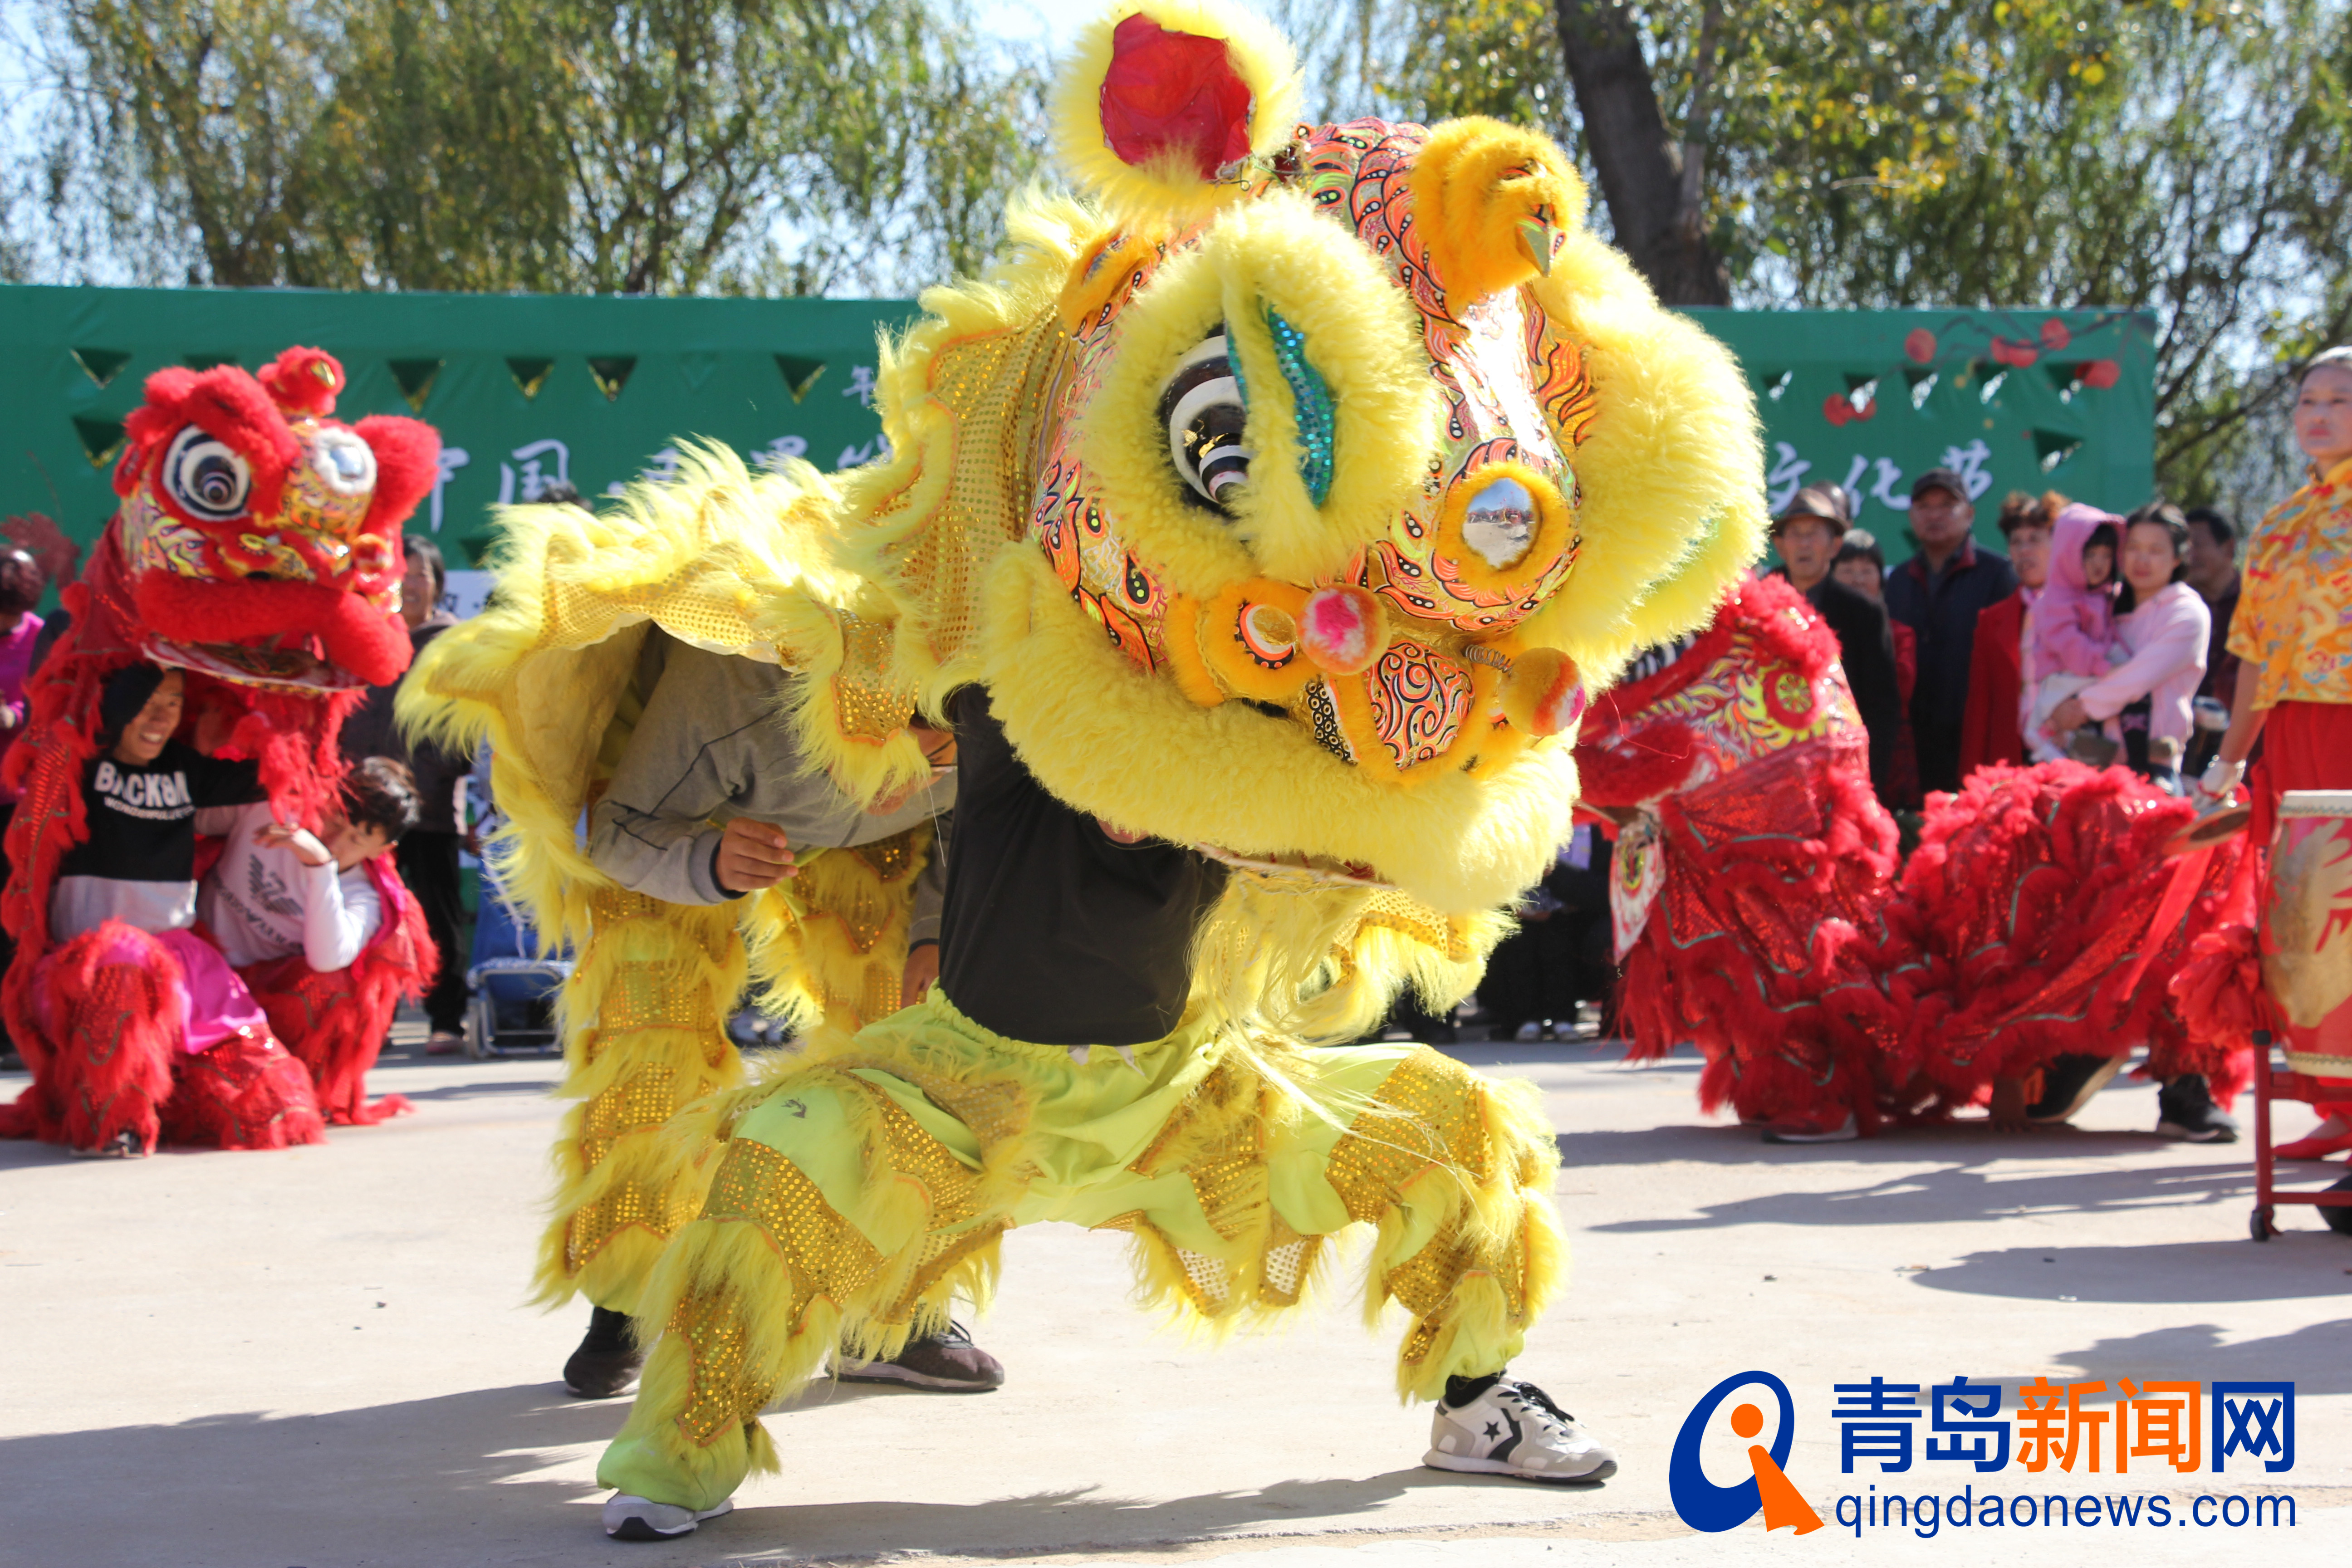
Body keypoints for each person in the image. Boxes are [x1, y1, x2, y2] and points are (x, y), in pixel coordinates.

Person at [561, 630, 992, 1401]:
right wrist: (706, 863)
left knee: (908, 1040)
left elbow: (983, 826)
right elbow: (621, 830)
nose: (905, 788)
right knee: (649, 1038)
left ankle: (888, 1311)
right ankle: (628, 1290)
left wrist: (937, 930)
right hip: (682, 813)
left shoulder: (1007, 700)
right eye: (888, 760)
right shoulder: (734, 687)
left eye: (938, 761)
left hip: (872, 846)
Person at [0, 665, 324, 1156]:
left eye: (172, 702)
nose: (159, 716)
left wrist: (293, 697)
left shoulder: (188, 766)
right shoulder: (76, 763)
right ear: (118, 706)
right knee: (123, 963)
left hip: (181, 968)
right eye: (147, 702)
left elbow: (283, 775)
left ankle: (170, 1101)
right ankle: (118, 1118)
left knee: (274, 1104)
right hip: (89, 969)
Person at [2199, 347, 2352, 1159]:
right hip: (2292, 738)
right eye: (2306, 400)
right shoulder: (2283, 523)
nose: (2318, 413)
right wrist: (2227, 762)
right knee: (2303, 923)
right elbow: (2253, 655)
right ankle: (2336, 1101)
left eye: (2337, 399)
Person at [344, 535, 472, 1054]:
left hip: (429, 810)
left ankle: (447, 1020)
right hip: (365, 813)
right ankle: (375, 1020)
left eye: (422, 574)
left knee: (436, 918)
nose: (411, 583)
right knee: (369, 918)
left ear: (439, 584)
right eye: (404, 572)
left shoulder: (452, 644)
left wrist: (430, 780)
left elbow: (463, 729)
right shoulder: (367, 637)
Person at [202, 756, 418, 975]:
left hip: (245, 986)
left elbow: (328, 960)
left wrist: (320, 867)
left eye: (356, 840)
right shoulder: (273, 811)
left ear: (380, 850)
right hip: (189, 942)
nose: (333, 842)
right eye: (334, 820)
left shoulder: (361, 896)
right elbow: (192, 821)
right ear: (327, 799)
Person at [1765, 484, 1905, 807]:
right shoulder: (1756, 605)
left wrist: (1868, 785)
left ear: (1835, 545)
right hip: (1769, 765)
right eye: (1795, 534)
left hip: (1837, 771)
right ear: (1780, 545)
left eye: (1814, 533)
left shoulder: (1864, 613)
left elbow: (1881, 708)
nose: (1803, 543)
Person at [1883, 468, 2019, 795]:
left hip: (1975, 735)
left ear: (1970, 514)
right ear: (1912, 516)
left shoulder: (1999, 575)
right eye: (1925, 507)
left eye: (1947, 505)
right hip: (1914, 742)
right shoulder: (1899, 580)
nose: (1935, 515)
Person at [1957, 492, 2057, 776]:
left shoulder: (2087, 610)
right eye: (2016, 542)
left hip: (2069, 759)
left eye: (2035, 540)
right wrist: (1971, 785)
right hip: (2011, 765)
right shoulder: (1992, 621)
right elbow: (1979, 713)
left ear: (2059, 545)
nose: (2025, 550)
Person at [2023, 505, 2124, 762]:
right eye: (2090, 555)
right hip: (2063, 679)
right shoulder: (2055, 600)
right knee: (2051, 732)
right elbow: (2070, 647)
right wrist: (2104, 665)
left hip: (2085, 678)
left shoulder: (2103, 595)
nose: (2099, 564)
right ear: (2068, 554)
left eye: (2107, 555)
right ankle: (2042, 743)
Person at [0, 549, 46, 1064]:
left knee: (16, 919)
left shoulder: (40, 638)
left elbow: (49, 703)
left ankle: (17, 1032)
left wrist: (12, 716)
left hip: (22, 804)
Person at [2181, 505, 2241, 776]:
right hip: (2184, 744)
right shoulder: (2176, 607)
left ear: (2228, 549)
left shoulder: (2257, 603)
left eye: (2198, 545)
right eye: (2184, 546)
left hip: (2242, 747)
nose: (2189, 555)